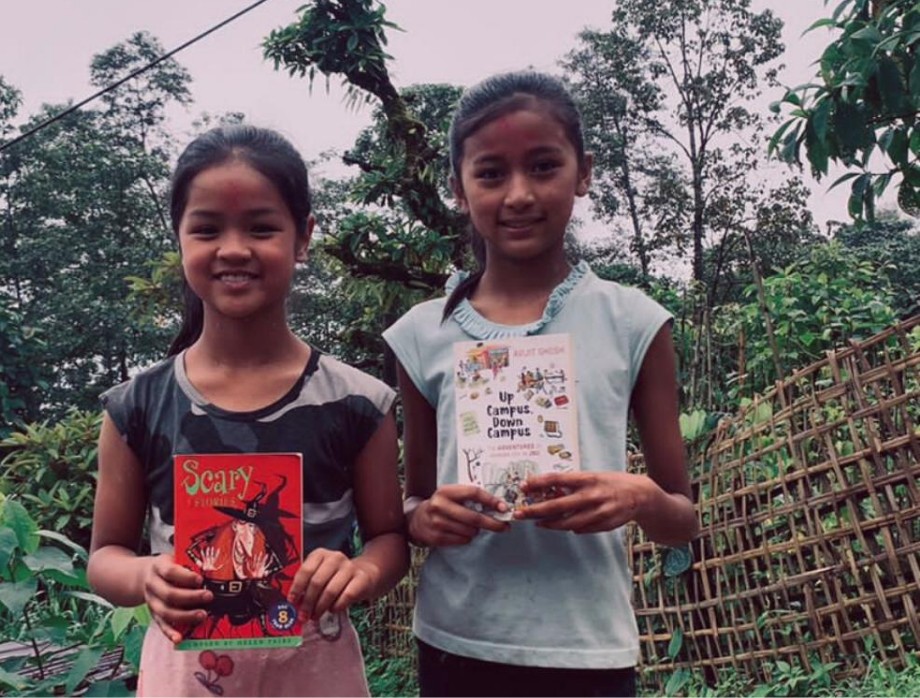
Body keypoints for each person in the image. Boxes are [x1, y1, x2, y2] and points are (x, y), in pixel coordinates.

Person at [383, 70, 699, 698]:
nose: (519, 194)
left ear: (583, 173)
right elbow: (413, 503)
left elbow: (682, 520)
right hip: (455, 643)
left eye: (544, 166)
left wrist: (636, 496)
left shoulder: (632, 320)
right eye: (492, 173)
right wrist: (425, 519)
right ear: (458, 188)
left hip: (588, 652)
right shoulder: (420, 336)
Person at [88, 124, 408, 697]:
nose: (234, 248)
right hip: (186, 677)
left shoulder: (358, 403)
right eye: (207, 229)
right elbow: (104, 557)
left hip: (316, 676)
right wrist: (146, 576)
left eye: (262, 228)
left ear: (303, 237)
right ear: (180, 238)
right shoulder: (135, 406)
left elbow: (390, 539)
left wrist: (358, 572)